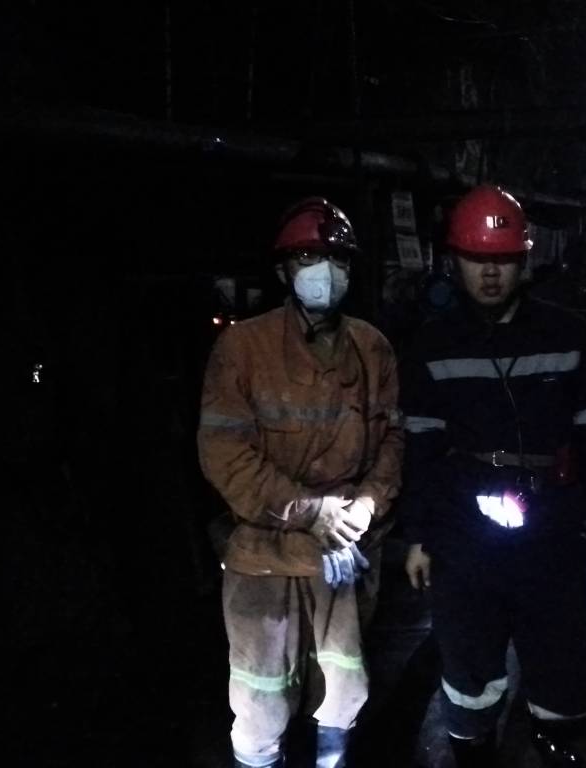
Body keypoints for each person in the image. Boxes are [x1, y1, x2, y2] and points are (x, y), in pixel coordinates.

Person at [400, 184, 586, 767]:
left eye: (503, 259)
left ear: (523, 261)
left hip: (551, 527)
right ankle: (474, 751)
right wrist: (418, 536)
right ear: (454, 261)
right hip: (464, 530)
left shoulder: (567, 336)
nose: (489, 273)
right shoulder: (431, 345)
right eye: (476, 258)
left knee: (562, 653)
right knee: (468, 657)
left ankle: (554, 742)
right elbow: (421, 450)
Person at [197, 197, 403, 768]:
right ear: (284, 270)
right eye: (308, 257)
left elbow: (391, 441)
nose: (324, 270)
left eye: (337, 258)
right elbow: (225, 454)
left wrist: (368, 503)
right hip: (265, 555)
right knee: (262, 696)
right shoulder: (243, 347)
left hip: (344, 555)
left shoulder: (372, 347)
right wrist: (310, 511)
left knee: (342, 689)